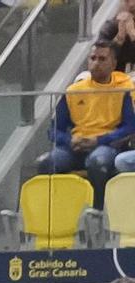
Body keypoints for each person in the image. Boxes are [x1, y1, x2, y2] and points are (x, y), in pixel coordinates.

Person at [39, 41, 135, 191]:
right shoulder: (73, 91)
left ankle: (97, 211)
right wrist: (70, 140)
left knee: (99, 161)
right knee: (47, 162)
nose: (96, 63)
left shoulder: (123, 92)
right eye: (93, 58)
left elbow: (129, 127)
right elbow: (54, 130)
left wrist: (99, 140)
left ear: (113, 63)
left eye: (102, 59)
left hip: (105, 145)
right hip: (74, 146)